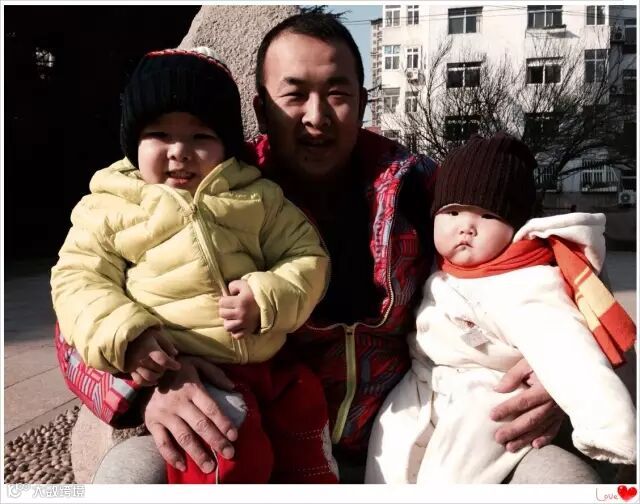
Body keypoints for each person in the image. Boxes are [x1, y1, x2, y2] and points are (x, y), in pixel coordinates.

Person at [54, 12, 603, 484]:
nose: (316, 116)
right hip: (253, 431)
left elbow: (538, 266)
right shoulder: (204, 191)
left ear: (363, 102)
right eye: (294, 95)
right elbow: (75, 306)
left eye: (337, 94)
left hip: (419, 437)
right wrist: (148, 384)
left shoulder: (422, 189)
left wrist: (556, 370)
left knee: (558, 476)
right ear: (261, 108)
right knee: (134, 472)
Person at [51, 46, 337, 483]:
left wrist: (267, 296)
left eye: (200, 136)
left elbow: (308, 257)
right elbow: (77, 278)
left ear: (226, 145)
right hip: (186, 371)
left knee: (308, 428)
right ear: (132, 141)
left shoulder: (255, 195)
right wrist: (128, 337)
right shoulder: (111, 205)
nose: (179, 151)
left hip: (270, 366)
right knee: (227, 449)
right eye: (159, 134)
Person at [365, 133, 637, 484]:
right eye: (452, 212)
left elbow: (568, 352)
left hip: (488, 391)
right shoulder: (444, 265)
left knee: (451, 469)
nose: (466, 226)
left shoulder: (524, 280)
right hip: (425, 381)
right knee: (390, 441)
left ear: (514, 227)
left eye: (488, 215)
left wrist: (608, 429)